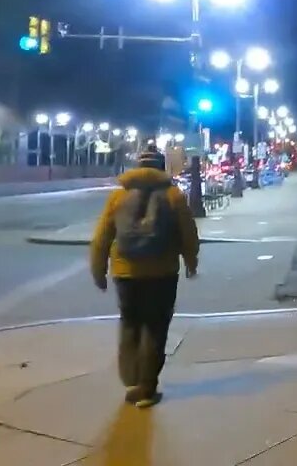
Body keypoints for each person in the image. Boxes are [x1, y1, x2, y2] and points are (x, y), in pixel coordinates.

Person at [90, 149, 199, 408]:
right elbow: (188, 234)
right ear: (162, 168)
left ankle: (131, 380)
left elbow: (101, 237)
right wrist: (191, 262)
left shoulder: (118, 196)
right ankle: (147, 388)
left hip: (126, 273)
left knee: (130, 323)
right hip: (162, 273)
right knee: (155, 327)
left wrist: (98, 271)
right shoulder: (174, 196)